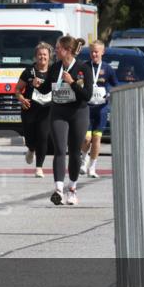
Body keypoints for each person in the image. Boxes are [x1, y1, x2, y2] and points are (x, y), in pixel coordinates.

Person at [46, 36, 93, 206]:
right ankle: (58, 189)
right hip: (58, 111)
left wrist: (72, 83)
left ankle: (72, 189)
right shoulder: (55, 67)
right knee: (59, 149)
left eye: (58, 48)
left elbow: (87, 95)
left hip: (78, 113)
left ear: (67, 50)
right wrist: (37, 83)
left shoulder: (83, 68)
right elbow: (46, 87)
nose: (55, 50)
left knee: (74, 152)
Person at [15, 42, 54, 179]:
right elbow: (18, 90)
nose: (42, 57)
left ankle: (39, 167)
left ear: (49, 56)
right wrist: (22, 100)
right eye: (40, 54)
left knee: (43, 138)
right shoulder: (28, 72)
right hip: (29, 110)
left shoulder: (54, 71)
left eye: (45, 54)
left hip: (46, 110)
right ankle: (31, 149)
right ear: (35, 56)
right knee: (30, 139)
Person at [81, 41, 118, 179]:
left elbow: (115, 85)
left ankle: (92, 167)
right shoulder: (84, 66)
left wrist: (110, 93)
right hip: (87, 108)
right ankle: (83, 161)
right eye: (92, 52)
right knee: (86, 138)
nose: (94, 54)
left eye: (97, 52)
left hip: (101, 108)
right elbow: (77, 82)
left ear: (102, 52)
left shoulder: (107, 68)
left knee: (97, 139)